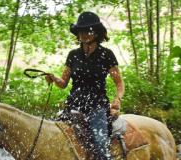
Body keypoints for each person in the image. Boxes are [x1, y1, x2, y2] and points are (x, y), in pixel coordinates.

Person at [45, 11, 124, 160]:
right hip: (73, 105)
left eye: (88, 30)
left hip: (97, 106)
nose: (83, 34)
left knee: (100, 145)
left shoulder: (106, 55)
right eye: (81, 30)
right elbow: (63, 83)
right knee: (55, 137)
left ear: (96, 33)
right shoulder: (73, 55)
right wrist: (54, 78)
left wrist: (117, 100)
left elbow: (119, 83)